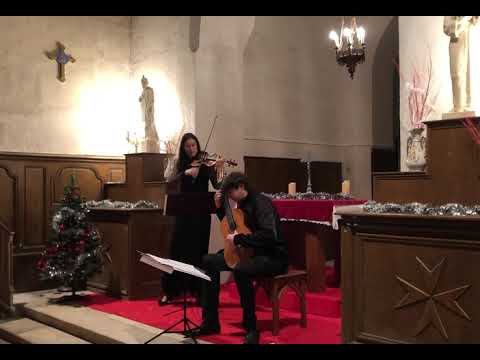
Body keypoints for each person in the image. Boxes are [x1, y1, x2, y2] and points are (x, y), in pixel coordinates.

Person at [191, 172, 289, 344]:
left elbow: (269, 236)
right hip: (246, 253)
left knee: (241, 269)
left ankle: (251, 327)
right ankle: (210, 322)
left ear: (242, 187)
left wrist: (238, 239)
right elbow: (233, 226)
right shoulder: (240, 204)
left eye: (231, 193)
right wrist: (219, 207)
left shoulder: (261, 203)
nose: (230, 197)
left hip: (271, 256)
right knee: (208, 261)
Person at [159, 133, 224, 305]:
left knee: (199, 252)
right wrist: (186, 173)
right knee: (176, 250)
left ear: (198, 146)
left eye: (194, 145)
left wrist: (218, 168)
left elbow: (218, 185)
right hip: (182, 214)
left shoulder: (206, 163)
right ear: (183, 147)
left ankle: (198, 291)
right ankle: (170, 291)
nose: (191, 149)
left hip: (201, 215)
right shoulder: (178, 163)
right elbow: (169, 183)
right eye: (187, 146)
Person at [443, 16, 479, 113]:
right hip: (456, 42)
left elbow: (475, 21)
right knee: (457, 74)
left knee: (468, 74)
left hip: (468, 42)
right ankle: (458, 105)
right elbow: (447, 27)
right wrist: (465, 18)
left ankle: (466, 104)